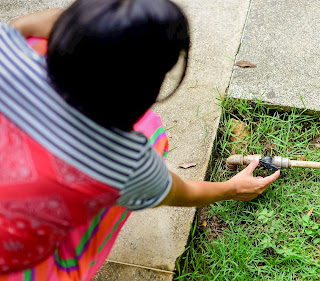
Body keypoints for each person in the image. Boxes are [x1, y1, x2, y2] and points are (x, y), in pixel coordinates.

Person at [0, 0, 280, 279]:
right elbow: (182, 193)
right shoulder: (126, 161)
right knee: (151, 134)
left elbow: (26, 26)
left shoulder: (6, 49)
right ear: (146, 85)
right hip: (14, 266)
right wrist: (232, 188)